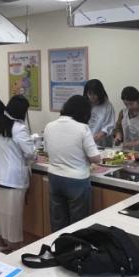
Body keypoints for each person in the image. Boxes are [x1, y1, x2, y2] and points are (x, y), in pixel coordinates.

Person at [44, 95, 101, 232]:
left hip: (54, 178)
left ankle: (57, 244)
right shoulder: (82, 128)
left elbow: (47, 151)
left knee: (57, 221)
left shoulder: (49, 126)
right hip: (76, 180)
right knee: (78, 224)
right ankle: (75, 245)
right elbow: (96, 158)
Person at [0, 95, 36, 251]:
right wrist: (35, 154)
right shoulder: (19, 128)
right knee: (13, 216)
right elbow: (30, 153)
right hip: (12, 179)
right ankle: (16, 248)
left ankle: (0, 244)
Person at [83, 79, 116, 147]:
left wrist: (101, 134)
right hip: (86, 141)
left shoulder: (107, 106)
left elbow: (109, 125)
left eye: (95, 94)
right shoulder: (84, 104)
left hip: (101, 142)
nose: (92, 97)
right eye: (90, 94)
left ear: (100, 93)